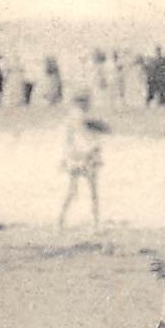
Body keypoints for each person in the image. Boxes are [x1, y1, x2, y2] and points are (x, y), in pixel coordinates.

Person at [57, 90, 107, 230]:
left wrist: (66, 157)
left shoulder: (74, 117)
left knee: (73, 190)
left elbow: (69, 140)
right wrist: (94, 148)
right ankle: (95, 223)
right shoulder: (79, 118)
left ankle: (60, 220)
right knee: (92, 192)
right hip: (85, 156)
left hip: (76, 157)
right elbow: (84, 139)